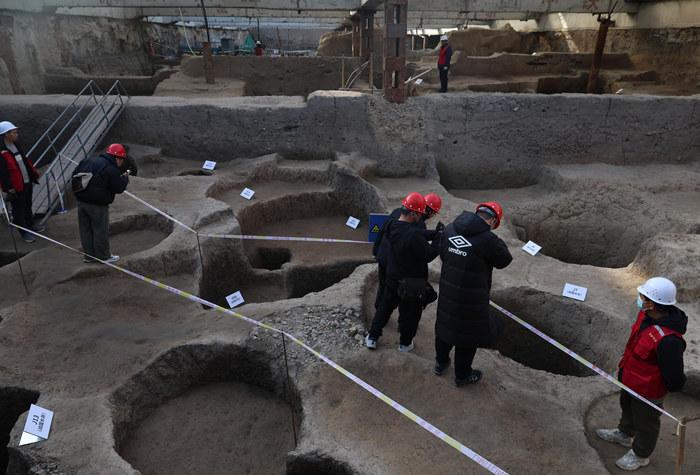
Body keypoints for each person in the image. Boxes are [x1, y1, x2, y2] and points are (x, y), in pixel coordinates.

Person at [596, 277, 687, 471]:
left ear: (652, 303)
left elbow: (674, 378)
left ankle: (640, 454)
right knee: (627, 408)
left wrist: (664, 390)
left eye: (642, 296)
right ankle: (624, 433)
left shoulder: (669, 341)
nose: (639, 298)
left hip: (648, 391)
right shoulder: (646, 316)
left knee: (646, 423)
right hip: (630, 379)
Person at [434, 202, 512, 386]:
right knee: (467, 337)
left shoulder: (450, 229)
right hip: (473, 298)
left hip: (448, 291)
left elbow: (442, 254)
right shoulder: (488, 240)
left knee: (445, 327)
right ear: (493, 221)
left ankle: (440, 363)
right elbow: (504, 260)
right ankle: (462, 376)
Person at [366, 192, 440, 352]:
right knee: (410, 315)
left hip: (392, 274)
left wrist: (434, 233)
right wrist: (438, 241)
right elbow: (427, 254)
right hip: (409, 282)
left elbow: (414, 233)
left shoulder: (394, 224)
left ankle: (372, 337)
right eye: (419, 213)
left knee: (385, 306)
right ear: (413, 214)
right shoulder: (413, 235)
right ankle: (405, 344)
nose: (421, 216)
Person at [372, 192, 443, 310]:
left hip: (383, 256)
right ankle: (382, 313)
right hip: (394, 263)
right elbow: (423, 252)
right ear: (430, 212)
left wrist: (376, 251)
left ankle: (378, 309)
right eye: (434, 213)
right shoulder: (417, 223)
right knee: (393, 295)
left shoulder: (398, 212)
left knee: (383, 286)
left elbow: (382, 230)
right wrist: (438, 239)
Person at [74, 143, 130, 264]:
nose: (122, 162)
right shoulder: (111, 168)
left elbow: (75, 175)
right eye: (122, 159)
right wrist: (125, 178)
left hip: (81, 201)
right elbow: (119, 188)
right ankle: (103, 256)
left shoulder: (88, 160)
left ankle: (89, 256)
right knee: (100, 229)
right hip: (97, 204)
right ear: (117, 158)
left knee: (85, 229)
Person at [0, 121, 42, 243]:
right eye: (14, 132)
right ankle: (24, 232)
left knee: (28, 206)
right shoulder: (1, 151)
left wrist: (33, 173)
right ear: (6, 134)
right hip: (15, 186)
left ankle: (30, 226)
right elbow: (2, 173)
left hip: (26, 181)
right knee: (18, 210)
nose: (16, 134)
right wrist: (9, 188)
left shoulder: (16, 145)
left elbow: (23, 161)